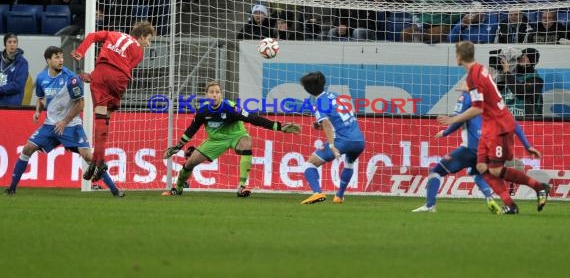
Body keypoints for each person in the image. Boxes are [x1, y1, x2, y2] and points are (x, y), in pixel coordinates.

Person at [438, 41, 551, 214]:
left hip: (499, 127)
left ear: (459, 56)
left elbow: (477, 108)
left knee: (495, 170)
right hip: (490, 127)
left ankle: (539, 187)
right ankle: (510, 205)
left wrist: (453, 120)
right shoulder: (481, 70)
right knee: (482, 168)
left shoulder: (475, 76)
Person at [4, 46, 124, 197]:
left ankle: (115, 190)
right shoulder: (41, 78)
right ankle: (12, 189)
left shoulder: (71, 78)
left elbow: (80, 103)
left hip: (71, 125)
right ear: (48, 60)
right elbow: (41, 99)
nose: (61, 60)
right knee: (27, 149)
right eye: (56, 57)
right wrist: (37, 111)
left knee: (88, 157)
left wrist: (65, 122)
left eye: (61, 56)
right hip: (50, 125)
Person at [162, 81, 301, 197]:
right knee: (190, 163)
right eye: (212, 92)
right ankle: (178, 188)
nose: (215, 95)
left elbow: (253, 118)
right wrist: (178, 147)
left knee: (247, 142)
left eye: (217, 92)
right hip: (215, 141)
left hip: (236, 136)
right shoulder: (203, 111)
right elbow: (191, 129)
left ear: (221, 94)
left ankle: (242, 187)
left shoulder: (231, 107)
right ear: (206, 95)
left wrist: (278, 126)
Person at [413, 88, 541, 213]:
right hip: (487, 149)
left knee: (435, 171)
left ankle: (430, 206)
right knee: (479, 174)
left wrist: (445, 132)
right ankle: (491, 198)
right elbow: (514, 124)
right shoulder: (492, 100)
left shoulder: (466, 97)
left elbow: (459, 120)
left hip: (469, 150)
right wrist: (527, 145)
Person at [71, 21, 156, 183]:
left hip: (100, 74)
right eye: (148, 39)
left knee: (100, 118)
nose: (148, 43)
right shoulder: (138, 51)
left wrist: (81, 52)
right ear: (142, 36)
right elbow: (121, 67)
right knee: (106, 118)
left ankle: (98, 160)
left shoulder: (113, 33)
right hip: (119, 79)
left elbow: (91, 36)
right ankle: (99, 161)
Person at [299, 71, 365, 204]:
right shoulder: (335, 95)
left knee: (309, 164)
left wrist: (331, 145)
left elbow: (327, 123)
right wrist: (320, 124)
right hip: (359, 141)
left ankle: (317, 193)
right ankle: (339, 196)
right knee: (349, 164)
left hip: (342, 141)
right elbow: (338, 116)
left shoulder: (319, 102)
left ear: (307, 89)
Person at [500, 47, 544, 118]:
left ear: (531, 61)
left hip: (529, 122)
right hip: (508, 120)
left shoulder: (537, 80)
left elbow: (520, 92)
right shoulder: (511, 76)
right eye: (522, 54)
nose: (522, 57)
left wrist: (507, 73)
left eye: (526, 55)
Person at [0, 33, 28, 106]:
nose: (12, 44)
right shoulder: (0, 60)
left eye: (14, 42)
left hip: (12, 105)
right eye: (9, 42)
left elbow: (18, 85)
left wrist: (0, 89)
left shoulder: (22, 62)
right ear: (5, 44)